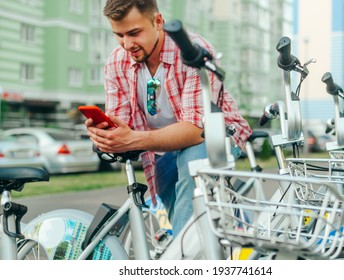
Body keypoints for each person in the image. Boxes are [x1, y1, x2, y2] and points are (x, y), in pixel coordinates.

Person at [86, 0, 252, 237]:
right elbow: (122, 123)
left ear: (158, 22)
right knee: (183, 216)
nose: (127, 44)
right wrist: (106, 134)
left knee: (193, 170)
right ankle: (201, 245)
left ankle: (183, 260)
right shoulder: (116, 62)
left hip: (214, 134)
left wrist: (131, 139)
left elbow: (196, 130)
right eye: (119, 35)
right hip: (159, 147)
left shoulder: (195, 52)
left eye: (134, 33)